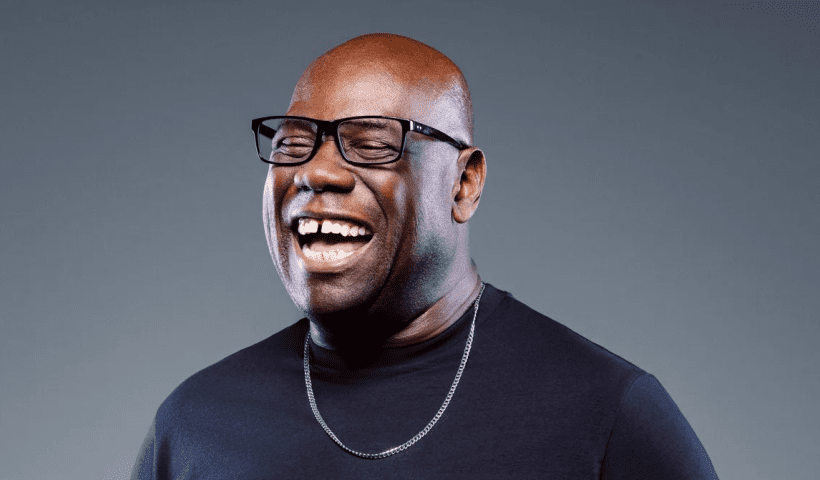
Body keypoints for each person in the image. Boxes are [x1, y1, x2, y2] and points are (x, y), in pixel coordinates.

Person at [131, 33, 718, 479]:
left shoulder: (607, 414)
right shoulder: (194, 426)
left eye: (371, 143)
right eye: (294, 142)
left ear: (464, 184)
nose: (316, 172)